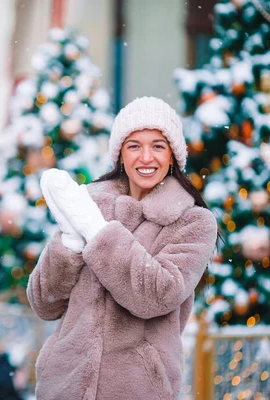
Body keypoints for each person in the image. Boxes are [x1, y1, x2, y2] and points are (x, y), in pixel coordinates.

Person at [27, 97, 218, 400]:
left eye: (158, 146)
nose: (146, 157)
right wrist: (69, 243)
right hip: (63, 387)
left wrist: (96, 231)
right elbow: (44, 302)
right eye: (134, 146)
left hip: (137, 388)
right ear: (120, 155)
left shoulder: (193, 222)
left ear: (172, 156)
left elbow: (156, 295)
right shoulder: (86, 205)